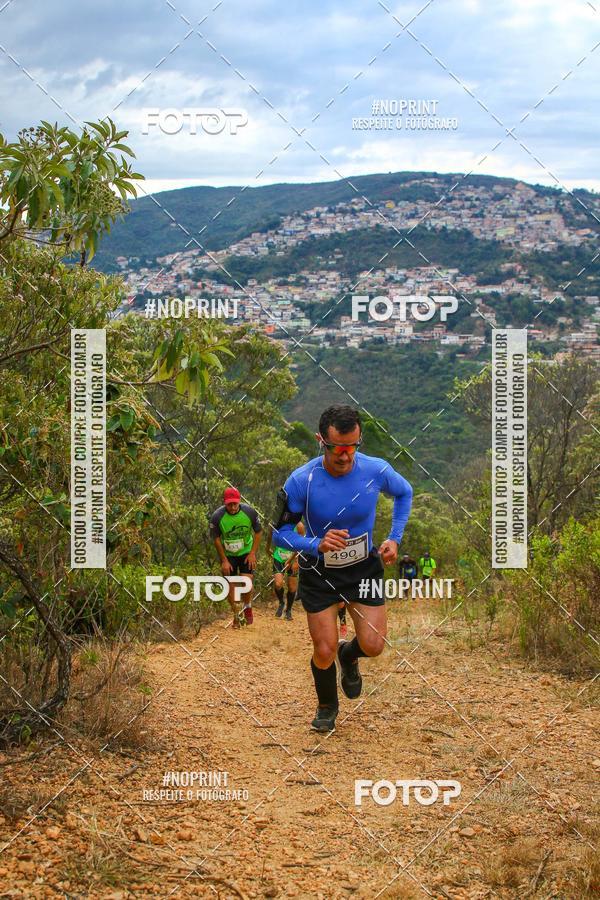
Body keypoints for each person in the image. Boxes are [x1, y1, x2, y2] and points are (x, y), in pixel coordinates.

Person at [271, 405, 412, 733]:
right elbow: (280, 533)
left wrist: (394, 538)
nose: (346, 456)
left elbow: (404, 492)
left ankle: (349, 658)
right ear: (322, 441)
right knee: (323, 649)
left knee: (374, 645)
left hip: (364, 567)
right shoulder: (301, 480)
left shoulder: (375, 470)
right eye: (338, 448)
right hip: (320, 572)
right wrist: (315, 544)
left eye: (353, 447)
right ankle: (327, 705)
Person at [210, 487, 262, 628]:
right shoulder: (217, 517)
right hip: (228, 554)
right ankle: (236, 615)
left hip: (246, 551)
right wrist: (224, 560)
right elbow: (216, 539)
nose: (232, 507)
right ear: (224, 503)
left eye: (235, 504)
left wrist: (252, 553)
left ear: (239, 501)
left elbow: (258, 532)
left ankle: (247, 606)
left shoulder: (249, 512)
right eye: (229, 504)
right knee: (230, 585)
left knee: (247, 581)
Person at [272, 522, 305, 620]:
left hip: (293, 558)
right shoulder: (278, 522)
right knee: (278, 584)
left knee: (292, 587)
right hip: (279, 556)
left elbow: (301, 544)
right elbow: (271, 534)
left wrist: (296, 560)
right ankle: (281, 602)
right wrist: (267, 549)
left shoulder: (299, 526)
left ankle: (288, 610)